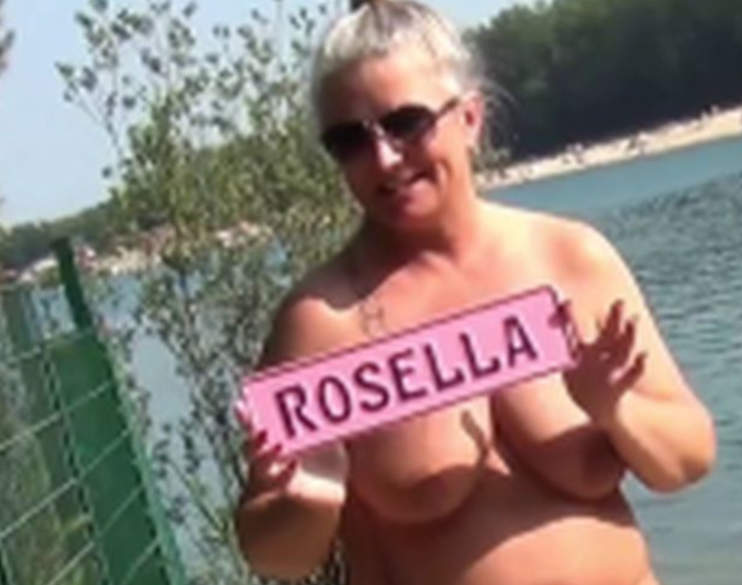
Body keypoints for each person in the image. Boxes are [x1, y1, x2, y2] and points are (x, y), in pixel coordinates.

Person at [233, 1, 717, 584]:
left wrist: (617, 411)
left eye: (406, 123)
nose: (384, 158)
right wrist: (309, 496)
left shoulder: (570, 257)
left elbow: (689, 460)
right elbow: (276, 559)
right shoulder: (322, 320)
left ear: (469, 117)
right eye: (349, 141)